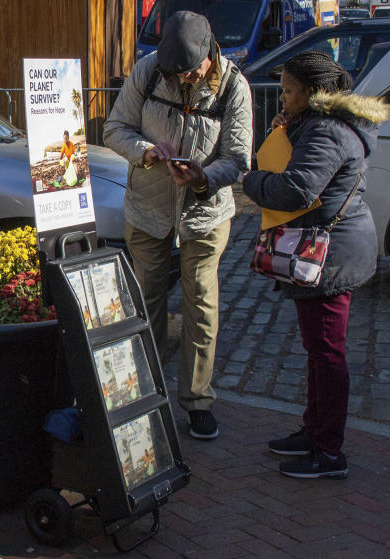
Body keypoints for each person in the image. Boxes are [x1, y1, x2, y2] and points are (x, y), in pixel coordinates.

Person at [104, 11, 253, 440]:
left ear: (208, 56)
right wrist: (148, 152)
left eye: (187, 72)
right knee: (146, 300)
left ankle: (197, 400)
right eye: (172, 72)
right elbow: (115, 128)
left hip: (204, 213)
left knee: (200, 305)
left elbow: (238, 159)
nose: (179, 79)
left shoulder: (235, 87)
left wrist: (204, 177)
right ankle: (144, 395)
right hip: (148, 209)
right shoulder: (149, 70)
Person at [243, 51, 389, 479]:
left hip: (333, 254)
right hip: (330, 247)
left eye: (288, 91)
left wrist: (250, 180)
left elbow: (295, 191)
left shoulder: (327, 131)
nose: (283, 97)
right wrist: (284, 134)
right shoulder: (318, 124)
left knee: (327, 353)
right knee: (318, 350)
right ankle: (314, 431)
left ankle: (329, 453)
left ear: (312, 91)